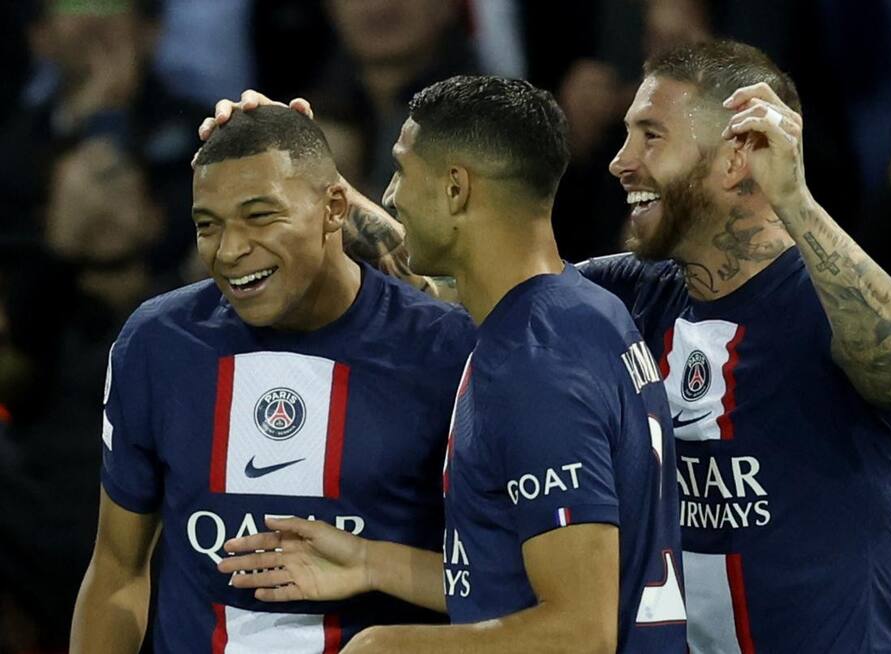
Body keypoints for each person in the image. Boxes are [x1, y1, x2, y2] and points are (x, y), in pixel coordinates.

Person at [218, 76, 686, 653]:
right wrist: (370, 561)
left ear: (456, 189)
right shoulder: (581, 310)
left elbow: (578, 632)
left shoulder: (535, 369)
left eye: (402, 171)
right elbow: (511, 584)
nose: (392, 195)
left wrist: (386, 647)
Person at [69, 106, 476, 653]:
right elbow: (117, 572)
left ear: (335, 208)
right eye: (207, 225)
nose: (230, 250)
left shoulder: (449, 349)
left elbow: (511, 588)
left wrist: (376, 563)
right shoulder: (156, 344)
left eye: (260, 217)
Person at [578, 40, 891, 652]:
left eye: (650, 136)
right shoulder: (628, 293)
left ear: (738, 155)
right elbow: (466, 290)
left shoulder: (828, 297)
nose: (621, 161)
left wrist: (795, 199)